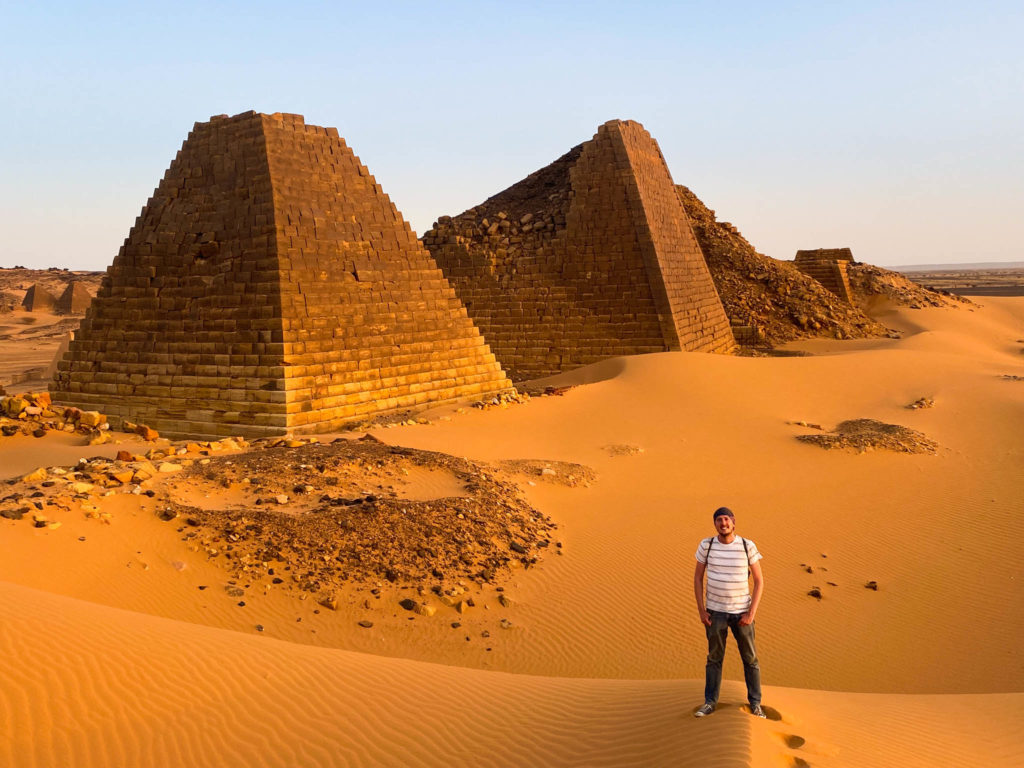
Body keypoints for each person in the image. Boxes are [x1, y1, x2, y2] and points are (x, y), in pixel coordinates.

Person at [692, 506, 765, 718]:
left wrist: (751, 613)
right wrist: (701, 610)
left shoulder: (746, 545)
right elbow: (697, 578)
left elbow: (759, 581)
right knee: (714, 658)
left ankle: (756, 703)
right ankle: (709, 703)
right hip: (715, 613)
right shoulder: (707, 545)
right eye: (719, 520)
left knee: (750, 659)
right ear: (715, 524)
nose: (723, 524)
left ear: (733, 522)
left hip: (742, 613)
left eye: (726, 520)